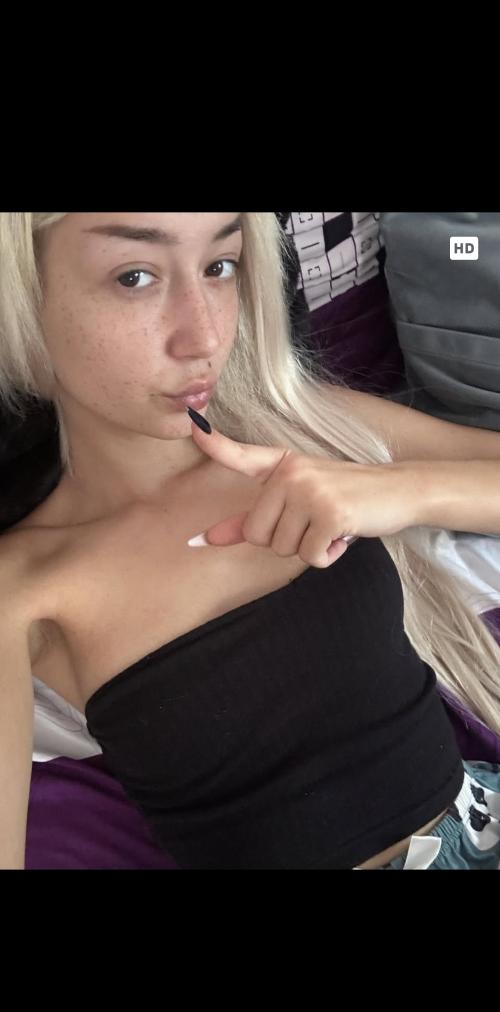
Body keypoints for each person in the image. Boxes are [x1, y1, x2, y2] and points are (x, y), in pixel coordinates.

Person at [1, 211, 500, 871]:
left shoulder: (302, 431)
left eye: (220, 266)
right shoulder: (23, 586)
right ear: (24, 291)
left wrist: (404, 492)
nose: (205, 335)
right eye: (135, 277)